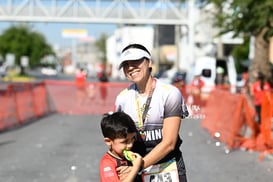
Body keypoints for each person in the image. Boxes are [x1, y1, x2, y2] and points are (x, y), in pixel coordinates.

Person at [115, 43, 188, 181]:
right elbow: (119, 140)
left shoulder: (170, 93)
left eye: (136, 61)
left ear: (149, 63)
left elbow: (169, 143)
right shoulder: (122, 99)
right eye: (126, 64)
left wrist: (138, 166)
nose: (130, 67)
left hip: (167, 167)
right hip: (135, 170)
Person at [100, 111, 143, 182]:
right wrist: (136, 168)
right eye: (125, 142)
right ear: (108, 141)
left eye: (133, 139)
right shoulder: (107, 163)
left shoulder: (131, 157)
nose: (130, 145)